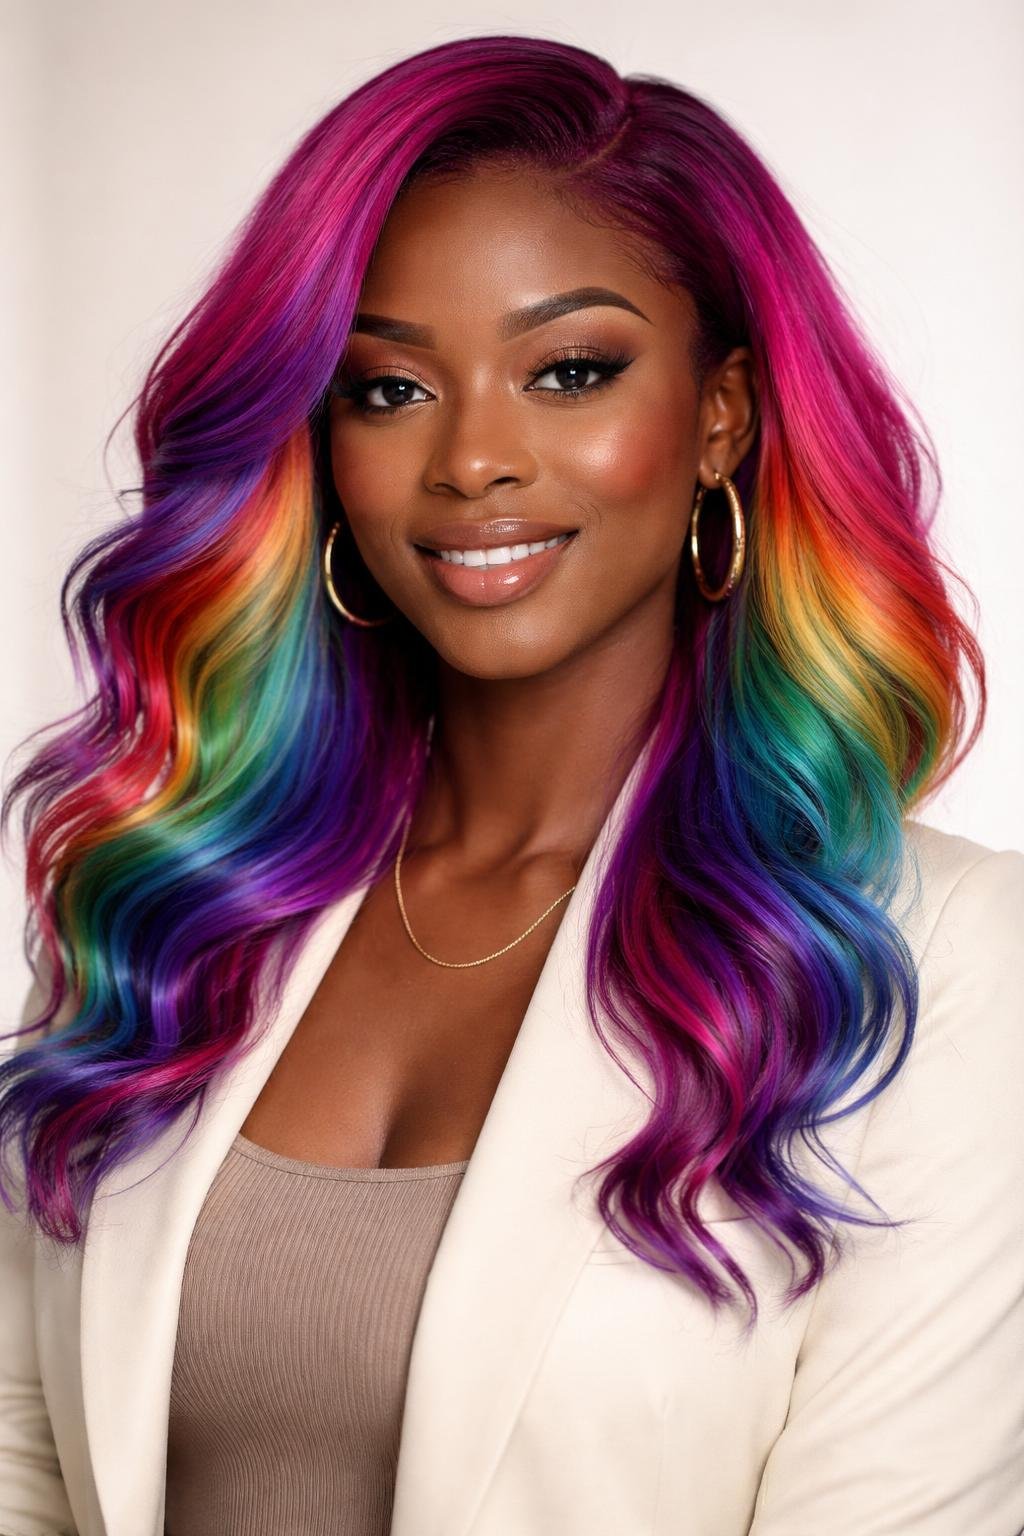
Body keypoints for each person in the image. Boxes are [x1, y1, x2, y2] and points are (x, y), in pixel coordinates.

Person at [1, 31, 1022, 1536]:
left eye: (570, 371)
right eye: (391, 389)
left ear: (722, 418)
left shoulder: (935, 962)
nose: (474, 458)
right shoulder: (176, 904)